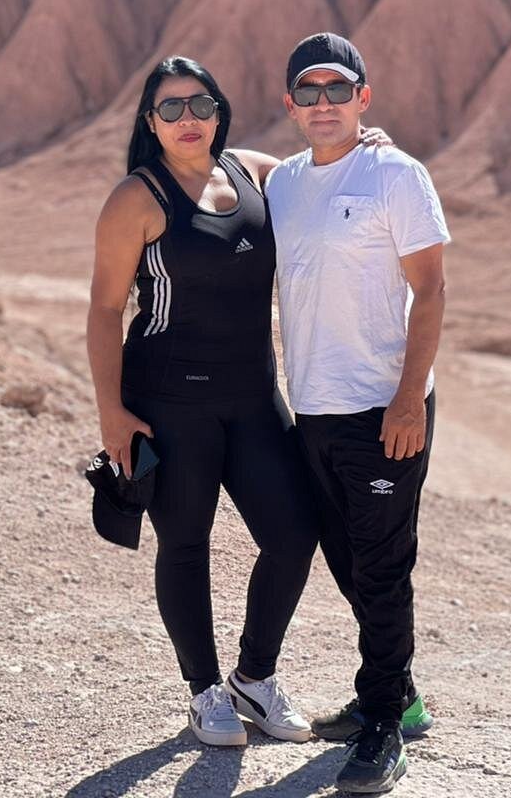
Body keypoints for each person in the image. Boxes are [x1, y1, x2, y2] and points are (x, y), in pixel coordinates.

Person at [86, 55, 319, 748]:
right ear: (148, 122)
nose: (188, 120)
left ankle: (255, 675)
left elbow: (320, 172)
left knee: (293, 534)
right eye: (170, 108)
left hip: (254, 396)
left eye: (200, 105)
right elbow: (104, 310)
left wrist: (369, 149)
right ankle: (204, 691)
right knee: (185, 543)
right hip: (167, 400)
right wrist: (111, 412)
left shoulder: (255, 171)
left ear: (221, 110)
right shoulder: (137, 198)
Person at [265, 32, 450, 795]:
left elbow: (432, 289)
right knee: (346, 559)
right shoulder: (281, 183)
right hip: (314, 405)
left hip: (384, 408)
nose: (323, 104)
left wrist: (409, 398)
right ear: (291, 106)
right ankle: (398, 694)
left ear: (363, 98)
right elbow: (222, 166)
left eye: (337, 90)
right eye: (307, 92)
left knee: (382, 567)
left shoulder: (397, 175)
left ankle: (381, 725)